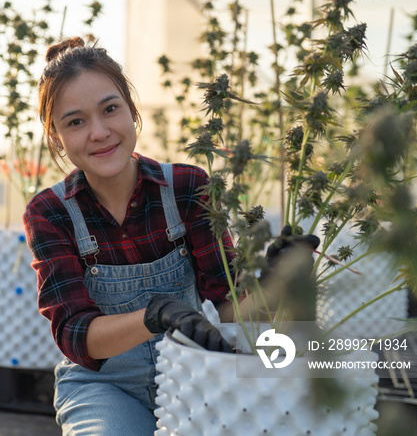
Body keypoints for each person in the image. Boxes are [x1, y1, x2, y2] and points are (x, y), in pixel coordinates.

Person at [22, 37, 316, 435]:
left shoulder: (188, 187)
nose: (100, 132)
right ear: (56, 136)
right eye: (76, 121)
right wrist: (153, 315)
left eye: (110, 109)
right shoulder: (49, 213)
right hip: (105, 388)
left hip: (197, 378)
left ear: (132, 111)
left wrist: (274, 281)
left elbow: (232, 313)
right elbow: (77, 336)